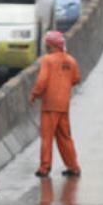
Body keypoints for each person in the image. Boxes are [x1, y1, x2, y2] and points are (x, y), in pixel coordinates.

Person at [30, 30, 81, 177]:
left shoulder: (48, 60)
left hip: (50, 105)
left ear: (50, 45)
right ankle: (73, 166)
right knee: (65, 137)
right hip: (64, 105)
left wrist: (35, 94)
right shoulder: (71, 60)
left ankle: (44, 167)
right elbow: (76, 79)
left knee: (47, 137)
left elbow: (42, 81)